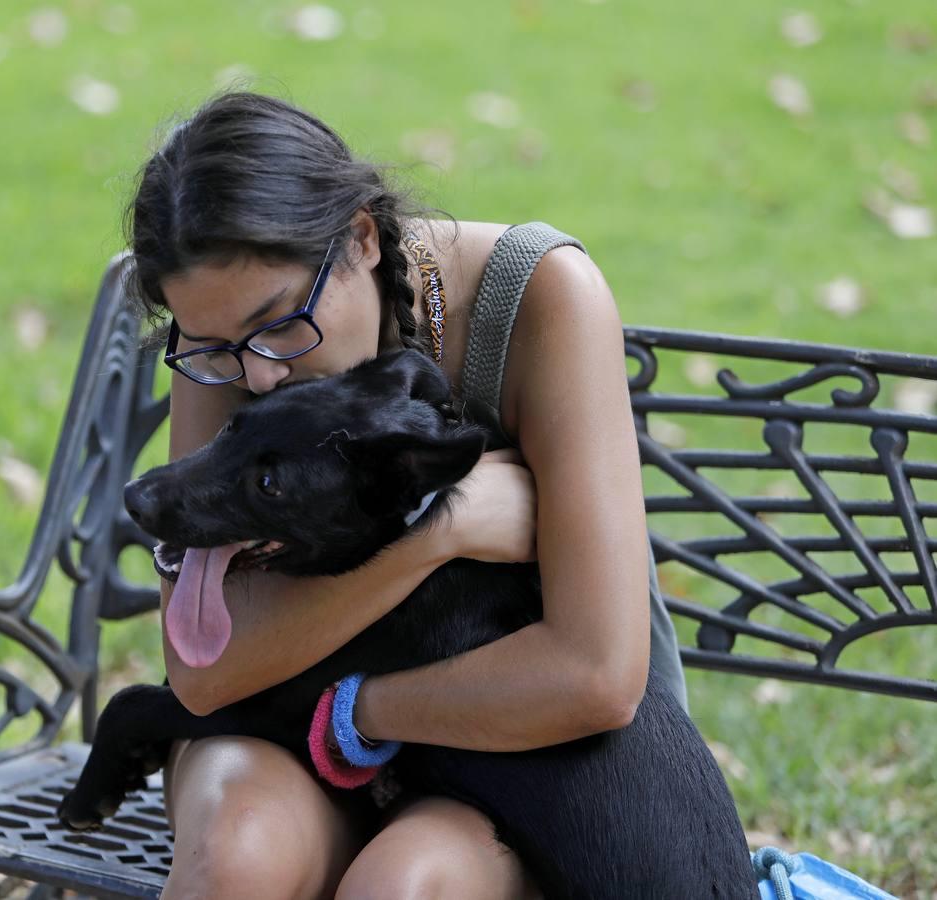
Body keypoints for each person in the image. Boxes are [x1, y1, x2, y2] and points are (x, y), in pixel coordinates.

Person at [122, 90, 689, 900]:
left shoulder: (542, 297)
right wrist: (438, 534)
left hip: (521, 755)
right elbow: (205, 671)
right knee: (236, 851)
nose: (258, 375)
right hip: (290, 736)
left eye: (281, 323)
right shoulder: (226, 345)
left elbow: (595, 674)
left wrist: (362, 713)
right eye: (213, 347)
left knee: (405, 885)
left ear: (358, 238)